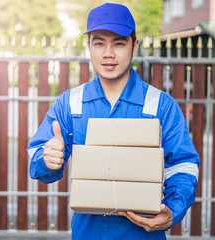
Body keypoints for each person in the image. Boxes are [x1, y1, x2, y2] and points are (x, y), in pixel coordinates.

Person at [27, 3, 199, 239]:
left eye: (119, 43)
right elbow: (37, 158)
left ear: (134, 46)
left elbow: (183, 166)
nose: (108, 53)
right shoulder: (70, 104)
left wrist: (173, 210)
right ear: (89, 46)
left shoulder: (161, 105)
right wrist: (48, 159)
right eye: (99, 43)